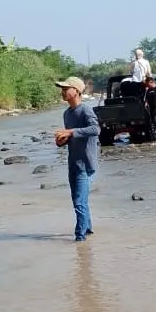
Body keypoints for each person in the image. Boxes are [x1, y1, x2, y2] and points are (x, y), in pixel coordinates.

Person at [54, 76, 100, 242]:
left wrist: (71, 132)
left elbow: (95, 129)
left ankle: (80, 239)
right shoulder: (67, 113)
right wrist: (62, 141)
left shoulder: (86, 110)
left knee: (79, 202)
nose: (63, 92)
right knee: (79, 201)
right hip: (73, 162)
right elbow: (71, 137)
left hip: (85, 164)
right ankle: (87, 230)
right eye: (62, 89)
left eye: (66, 89)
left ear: (77, 91)